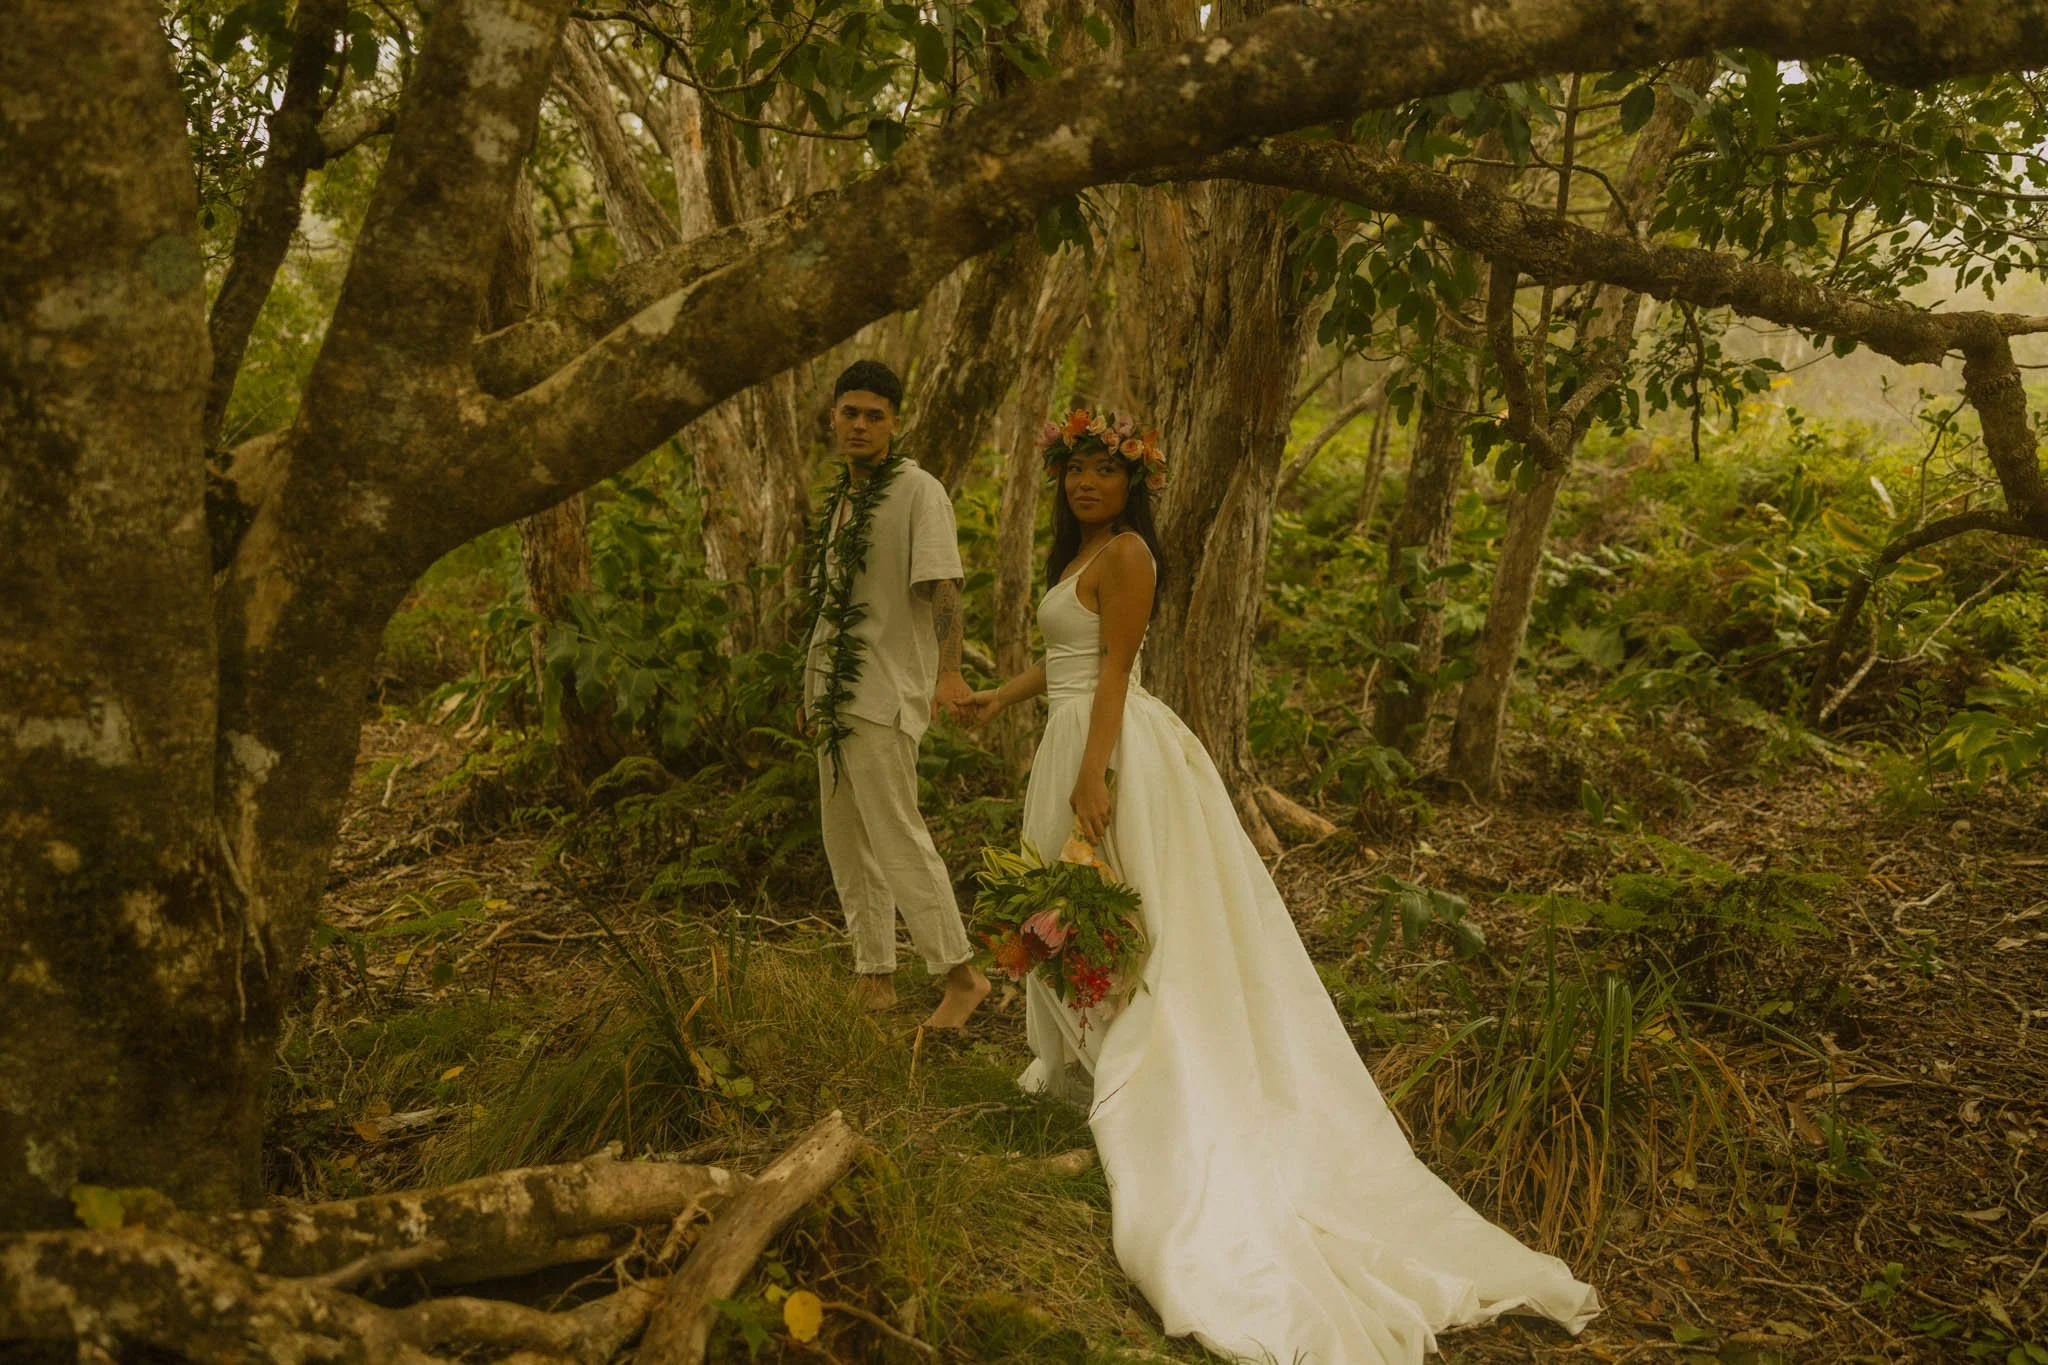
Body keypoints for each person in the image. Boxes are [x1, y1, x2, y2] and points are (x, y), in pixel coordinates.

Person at [963, 409, 1600, 1363]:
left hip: (1114, 749)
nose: (1086, 484)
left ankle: (1141, 1080)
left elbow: (1113, 675)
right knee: (1066, 913)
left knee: (1113, 913)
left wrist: (1093, 772)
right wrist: (992, 701)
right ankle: (1074, 1062)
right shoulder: (1079, 556)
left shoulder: (1130, 554)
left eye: (1103, 471)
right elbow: (1063, 664)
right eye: (1076, 472)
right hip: (1069, 738)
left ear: (1131, 482)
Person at [802, 360, 989, 1029]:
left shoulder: (918, 492)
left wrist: (948, 673)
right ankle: (874, 975)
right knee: (847, 841)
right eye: (849, 412)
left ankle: (961, 974)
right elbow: (833, 604)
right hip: (833, 692)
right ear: (833, 416)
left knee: (897, 834)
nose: (858, 424)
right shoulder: (846, 498)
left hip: (885, 691)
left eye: (873, 414)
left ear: (895, 421)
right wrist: (812, 683)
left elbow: (943, 587)